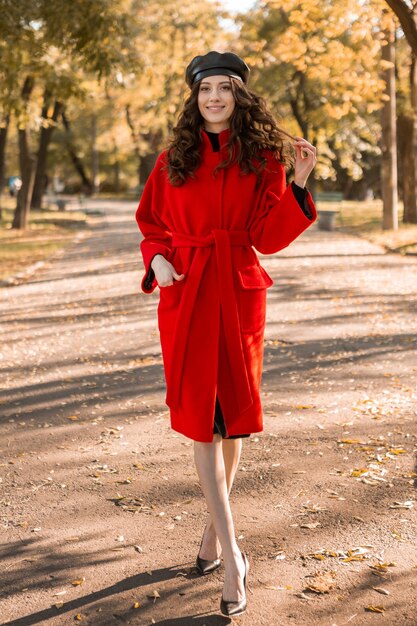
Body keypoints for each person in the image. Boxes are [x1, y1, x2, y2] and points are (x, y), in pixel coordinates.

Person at [136, 50, 317, 617]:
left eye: (225, 89)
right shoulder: (172, 160)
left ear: (239, 97)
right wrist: (158, 259)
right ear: (194, 97)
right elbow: (151, 225)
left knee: (230, 418)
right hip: (188, 290)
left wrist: (300, 183)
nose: (214, 97)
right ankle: (233, 551)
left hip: (237, 292)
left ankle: (214, 533)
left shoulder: (263, 160)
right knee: (202, 421)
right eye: (206, 88)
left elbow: (267, 237)